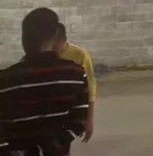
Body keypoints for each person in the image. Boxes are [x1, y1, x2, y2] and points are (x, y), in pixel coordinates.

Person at [0, 8, 89, 155]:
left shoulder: (5, 80)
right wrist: (56, 143)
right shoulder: (76, 74)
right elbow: (80, 121)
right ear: (55, 35)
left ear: (24, 38)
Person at [54, 24, 96, 142]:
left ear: (64, 40)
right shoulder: (42, 56)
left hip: (70, 112)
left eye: (55, 46)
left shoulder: (80, 56)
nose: (51, 49)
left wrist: (89, 120)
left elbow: (90, 90)